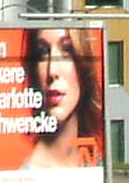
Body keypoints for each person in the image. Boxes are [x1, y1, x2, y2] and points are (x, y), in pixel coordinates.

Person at [12, 25, 107, 174]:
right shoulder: (21, 179)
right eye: (42, 52)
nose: (52, 71)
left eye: (67, 50)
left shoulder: (96, 166)